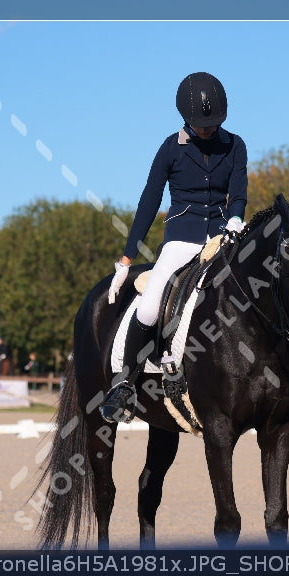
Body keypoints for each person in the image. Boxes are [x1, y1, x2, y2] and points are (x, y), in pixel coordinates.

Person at [101, 71, 248, 423]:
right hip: (181, 240)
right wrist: (126, 258)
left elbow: (238, 194)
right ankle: (125, 383)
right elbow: (150, 202)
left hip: (222, 239)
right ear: (186, 118)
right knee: (150, 308)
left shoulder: (235, 145)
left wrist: (236, 218)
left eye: (214, 124)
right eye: (203, 126)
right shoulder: (170, 148)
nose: (209, 130)